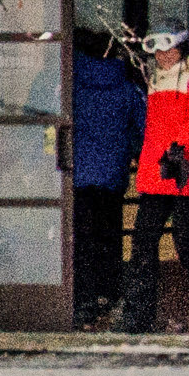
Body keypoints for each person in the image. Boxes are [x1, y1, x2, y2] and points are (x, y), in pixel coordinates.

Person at [121, 30, 189, 334]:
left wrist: (179, 151)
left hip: (179, 170)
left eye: (168, 49)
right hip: (157, 172)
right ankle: (137, 316)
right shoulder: (153, 77)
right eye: (157, 50)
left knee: (185, 245)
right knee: (143, 245)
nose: (161, 55)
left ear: (181, 47)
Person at [69, 28, 144, 329]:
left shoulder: (69, 81)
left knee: (81, 238)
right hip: (113, 174)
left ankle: (83, 298)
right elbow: (141, 130)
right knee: (109, 233)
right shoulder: (126, 86)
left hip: (77, 173)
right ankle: (109, 293)